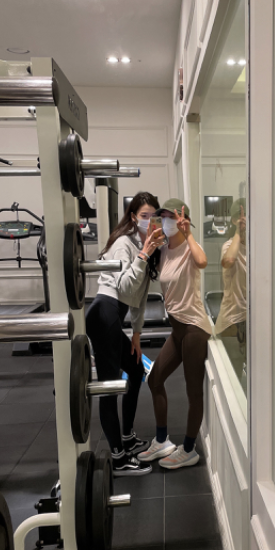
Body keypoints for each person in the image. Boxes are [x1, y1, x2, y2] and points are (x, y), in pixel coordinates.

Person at [86, 192, 165, 476]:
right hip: (104, 313)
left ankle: (127, 437)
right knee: (109, 388)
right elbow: (124, 288)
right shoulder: (124, 244)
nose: (148, 221)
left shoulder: (145, 246)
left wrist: (137, 334)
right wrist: (143, 254)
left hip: (114, 317)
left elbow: (139, 296)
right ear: (133, 217)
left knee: (135, 369)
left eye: (153, 217)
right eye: (144, 216)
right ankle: (118, 459)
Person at [138, 198, 210, 470]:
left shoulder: (191, 248)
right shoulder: (164, 250)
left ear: (183, 220)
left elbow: (202, 261)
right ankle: (161, 440)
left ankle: (189, 450)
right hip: (177, 329)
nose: (167, 221)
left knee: (193, 392)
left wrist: (189, 234)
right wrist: (149, 242)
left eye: (172, 217)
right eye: (164, 216)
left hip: (193, 329)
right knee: (155, 379)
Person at [214, 198, 247, 379]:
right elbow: (228, 261)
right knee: (232, 378)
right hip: (233, 321)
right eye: (242, 216)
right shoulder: (229, 246)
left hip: (252, 320)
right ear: (234, 220)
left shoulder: (259, 248)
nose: (246, 219)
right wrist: (238, 232)